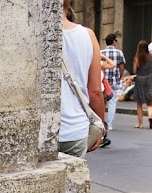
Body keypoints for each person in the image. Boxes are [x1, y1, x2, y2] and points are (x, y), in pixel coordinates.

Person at [59, 0, 105, 156]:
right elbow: (96, 91)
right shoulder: (88, 36)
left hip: (41, 128)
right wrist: (101, 127)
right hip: (75, 129)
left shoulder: (35, 33)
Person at [101, 33, 128, 144]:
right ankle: (110, 124)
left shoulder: (101, 53)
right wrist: (120, 76)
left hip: (103, 81)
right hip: (114, 81)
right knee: (112, 103)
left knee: (102, 103)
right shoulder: (119, 52)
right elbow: (121, 67)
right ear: (114, 42)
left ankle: (101, 122)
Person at [131, 39, 152, 127]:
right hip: (150, 78)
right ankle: (150, 117)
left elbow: (134, 71)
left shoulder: (137, 58)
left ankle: (140, 123)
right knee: (149, 101)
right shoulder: (151, 56)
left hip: (140, 79)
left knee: (139, 103)